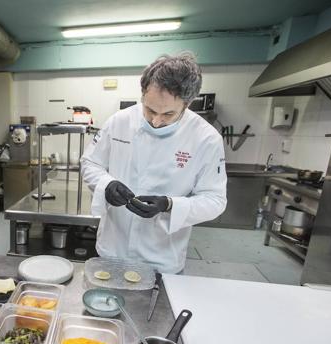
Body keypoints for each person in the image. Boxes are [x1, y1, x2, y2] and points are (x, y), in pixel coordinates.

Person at [81, 53, 227, 273]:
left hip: (162, 258)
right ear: (143, 94)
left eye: (168, 113)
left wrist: (169, 205)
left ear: (187, 104)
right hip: (113, 250)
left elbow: (215, 200)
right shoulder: (119, 122)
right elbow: (90, 163)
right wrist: (106, 184)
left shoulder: (205, 138)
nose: (156, 121)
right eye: (149, 110)